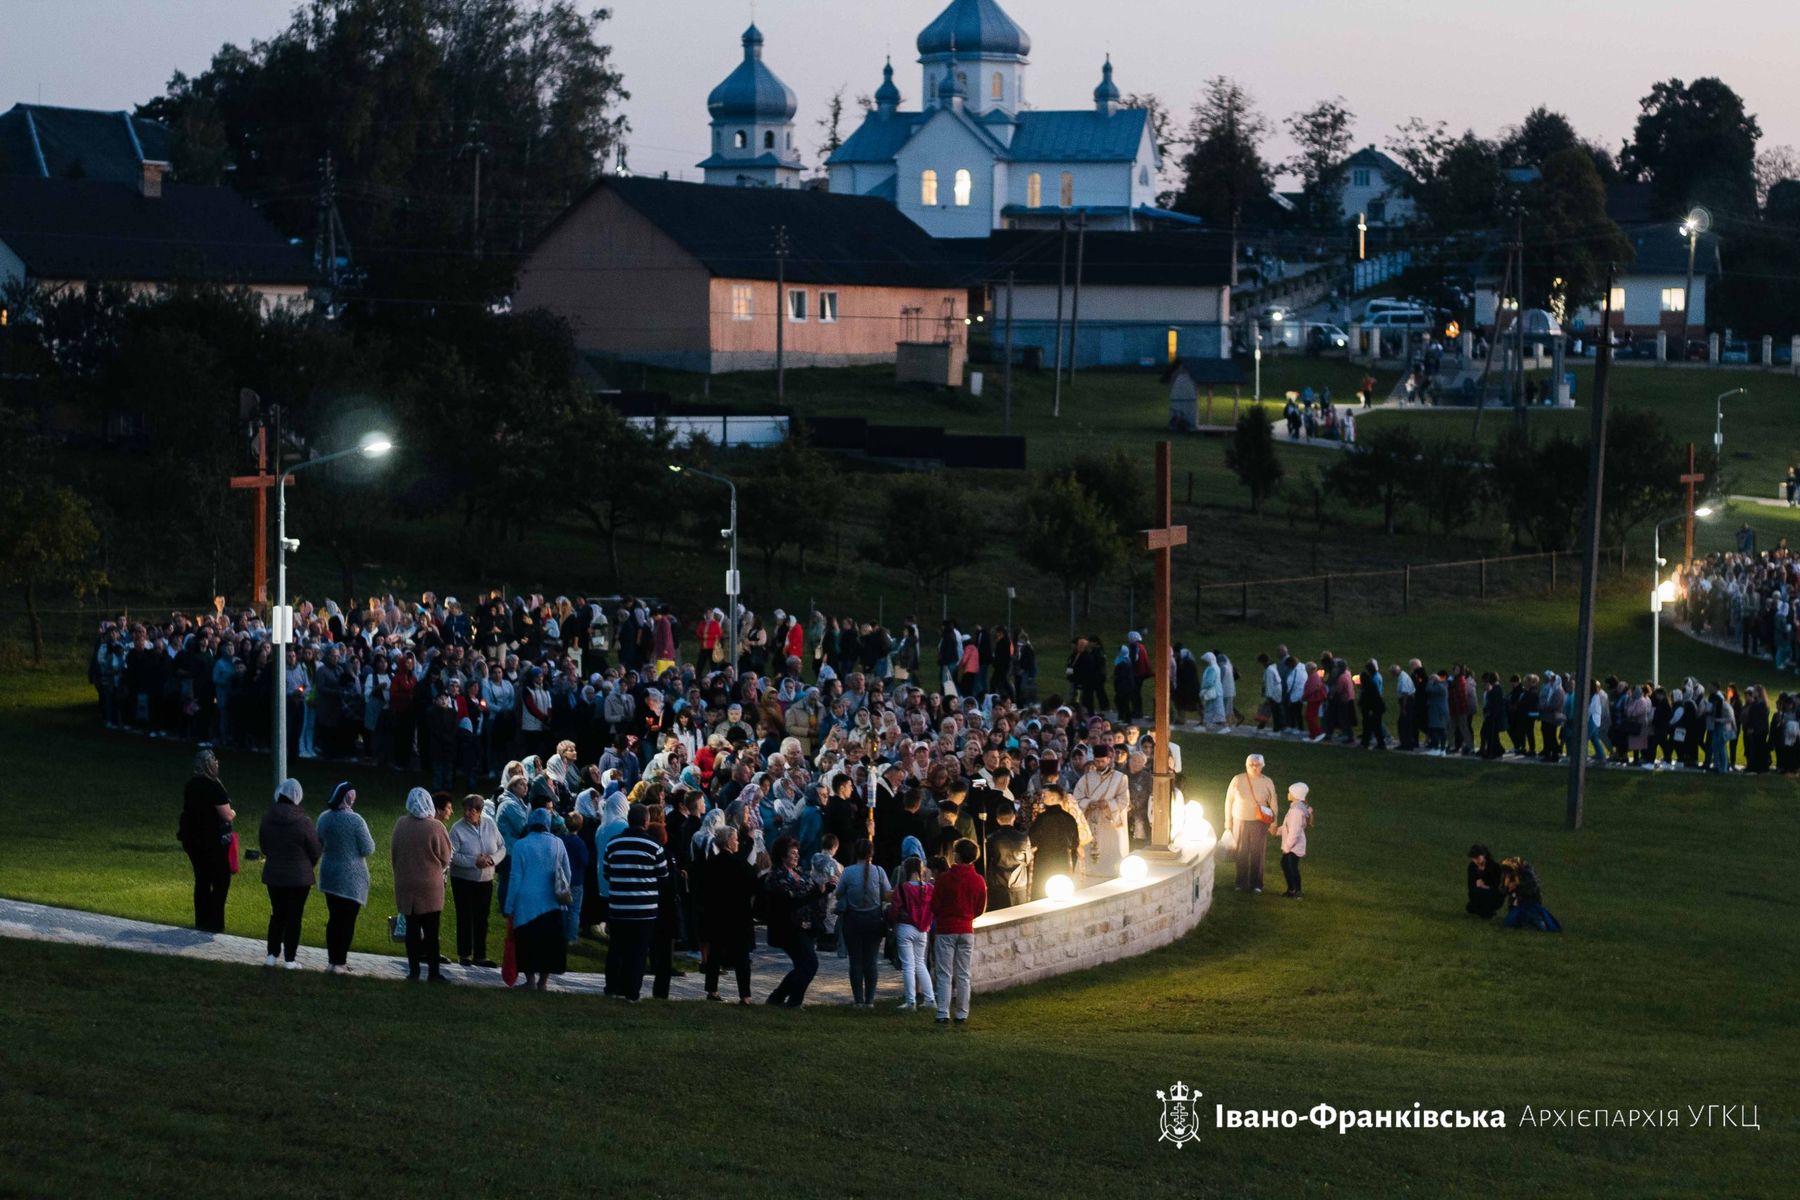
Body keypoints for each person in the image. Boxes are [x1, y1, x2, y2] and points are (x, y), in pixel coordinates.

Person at [603, 803, 669, 1002]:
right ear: (646, 822)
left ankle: (612, 987)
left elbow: (607, 872)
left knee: (616, 949)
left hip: (619, 907)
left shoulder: (613, 844)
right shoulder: (654, 846)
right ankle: (632, 992)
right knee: (638, 953)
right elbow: (663, 875)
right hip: (644, 910)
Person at [505, 807, 572, 990]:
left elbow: (515, 877)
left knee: (527, 941)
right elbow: (567, 872)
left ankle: (530, 980)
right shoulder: (558, 843)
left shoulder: (520, 845)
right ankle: (543, 982)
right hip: (551, 901)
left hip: (525, 903)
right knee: (549, 943)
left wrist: (509, 905)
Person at [391, 786, 453, 982]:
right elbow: (446, 856)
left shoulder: (401, 824)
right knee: (431, 931)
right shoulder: (436, 827)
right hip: (430, 886)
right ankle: (433, 972)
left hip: (406, 883)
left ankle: (414, 970)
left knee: (411, 930)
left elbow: (394, 852)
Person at [762, 835, 832, 1008]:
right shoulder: (776, 876)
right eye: (793, 853)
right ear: (782, 855)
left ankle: (777, 998)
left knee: (803, 965)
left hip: (805, 926)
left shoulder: (799, 872)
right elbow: (791, 899)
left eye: (797, 853)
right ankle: (793, 1001)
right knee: (809, 964)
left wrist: (825, 889)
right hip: (788, 927)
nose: (796, 856)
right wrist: (816, 892)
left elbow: (812, 892)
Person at [258, 778, 320, 969]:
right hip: (299, 878)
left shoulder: (268, 818)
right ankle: (290, 959)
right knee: (294, 918)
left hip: (274, 875)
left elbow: (264, 845)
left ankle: (271, 954)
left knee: (277, 914)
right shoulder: (304, 822)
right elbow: (315, 849)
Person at [316, 782, 375, 974]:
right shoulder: (356, 821)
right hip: (351, 878)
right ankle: (340, 962)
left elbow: (319, 842)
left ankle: (332, 961)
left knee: (334, 919)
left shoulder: (324, 818)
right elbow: (368, 848)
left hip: (330, 874)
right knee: (347, 921)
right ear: (348, 797)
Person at [695, 825, 759, 1003]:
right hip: (738, 915)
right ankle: (745, 995)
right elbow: (752, 884)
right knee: (741, 957)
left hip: (716, 914)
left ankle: (712, 990)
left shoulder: (711, 863)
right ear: (728, 841)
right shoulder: (739, 864)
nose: (737, 842)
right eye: (735, 839)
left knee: (715, 953)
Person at [929, 838, 987, 1025]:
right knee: (963, 973)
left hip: (946, 929)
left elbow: (935, 904)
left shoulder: (945, 878)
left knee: (945, 973)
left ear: (957, 855)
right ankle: (962, 1012)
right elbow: (980, 908)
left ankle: (943, 1011)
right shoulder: (978, 880)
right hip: (966, 928)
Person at [178, 749, 235, 933]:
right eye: (215, 761)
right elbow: (226, 815)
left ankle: (201, 919)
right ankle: (215, 922)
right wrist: (233, 813)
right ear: (209, 764)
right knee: (221, 880)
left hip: (192, 839)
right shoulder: (215, 787)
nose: (217, 763)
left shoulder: (191, 785)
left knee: (202, 879)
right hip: (213, 840)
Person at [836, 837, 894, 1008]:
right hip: (874, 920)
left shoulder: (848, 871)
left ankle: (858, 1000)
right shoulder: (879, 871)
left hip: (853, 920)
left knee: (855, 961)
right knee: (871, 961)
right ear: (871, 853)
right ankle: (870, 1000)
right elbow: (886, 894)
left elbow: (839, 893)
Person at [449, 792, 505, 968]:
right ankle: (464, 954)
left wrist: (491, 860)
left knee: (482, 917)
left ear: (479, 811)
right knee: (465, 916)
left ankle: (480, 955)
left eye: (471, 810)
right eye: (465, 809)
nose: (467, 813)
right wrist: (474, 862)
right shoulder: (457, 829)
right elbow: (452, 856)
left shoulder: (490, 825)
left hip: (485, 879)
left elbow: (502, 847)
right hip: (463, 879)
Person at [1073, 740, 1129, 881]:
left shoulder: (1120, 778)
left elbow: (1124, 800)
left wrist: (1108, 804)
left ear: (1109, 760)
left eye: (1102, 761)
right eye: (1097, 761)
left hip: (1109, 822)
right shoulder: (1086, 778)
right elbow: (1077, 798)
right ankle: (1090, 875)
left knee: (1110, 852)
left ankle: (1112, 874)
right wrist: (1089, 803)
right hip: (1091, 819)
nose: (1099, 764)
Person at [889, 853, 936, 1012]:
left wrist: (892, 922)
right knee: (920, 963)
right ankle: (930, 999)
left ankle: (910, 1001)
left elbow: (894, 909)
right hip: (923, 929)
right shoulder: (930, 888)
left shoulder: (902, 888)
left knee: (908, 965)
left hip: (905, 927)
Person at [1224, 754, 1277, 894]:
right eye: (1251, 764)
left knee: (1257, 853)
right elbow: (1228, 800)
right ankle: (1240, 882)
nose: (1254, 767)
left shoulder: (1267, 782)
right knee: (1241, 852)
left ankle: (1257, 884)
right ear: (1246, 765)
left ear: (1262, 766)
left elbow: (1273, 803)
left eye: (1257, 765)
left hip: (1259, 822)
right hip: (1239, 820)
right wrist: (1228, 820)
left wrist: (1273, 823)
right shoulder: (1237, 779)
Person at [983, 803, 1032, 909]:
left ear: (998, 819)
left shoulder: (991, 839)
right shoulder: (1023, 837)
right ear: (1013, 817)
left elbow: (987, 862)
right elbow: (1028, 860)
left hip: (998, 884)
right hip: (1019, 883)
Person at [1500, 856, 1562, 931]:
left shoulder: (1527, 873)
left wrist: (1518, 889)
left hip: (1531, 903)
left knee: (1538, 922)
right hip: (1517, 905)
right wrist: (1510, 889)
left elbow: (1532, 889)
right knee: (1510, 922)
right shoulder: (1508, 876)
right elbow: (1502, 889)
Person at [1278, 782, 1312, 900]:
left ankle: (1296, 890)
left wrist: (1287, 847)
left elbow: (1294, 831)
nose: (1288, 794)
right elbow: (1288, 826)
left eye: (1290, 792)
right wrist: (1277, 831)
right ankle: (1292, 889)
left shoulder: (1296, 811)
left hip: (1294, 845)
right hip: (1293, 844)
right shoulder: (1296, 808)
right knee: (1286, 864)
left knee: (1291, 866)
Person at [1465, 844, 1504, 918]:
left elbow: (1498, 887)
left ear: (1484, 855)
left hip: (1493, 895)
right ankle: (1484, 909)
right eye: (1473, 858)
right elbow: (1470, 886)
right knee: (1470, 908)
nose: (1476, 860)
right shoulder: (1472, 867)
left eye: (1478, 857)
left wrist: (1486, 887)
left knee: (1485, 914)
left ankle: (1488, 910)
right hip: (1478, 894)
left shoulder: (1494, 867)